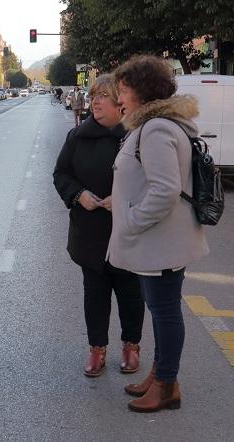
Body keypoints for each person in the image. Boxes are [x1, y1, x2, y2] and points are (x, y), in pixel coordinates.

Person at [109, 55, 209, 412]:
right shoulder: (155, 125)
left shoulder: (156, 129)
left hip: (159, 240)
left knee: (165, 311)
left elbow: (164, 190)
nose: (119, 98)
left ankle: (167, 384)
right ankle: (161, 374)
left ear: (142, 91)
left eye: (123, 90)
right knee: (161, 309)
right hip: (160, 239)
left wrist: (131, 221)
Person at [54, 74, 145, 378]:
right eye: (93, 96)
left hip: (127, 231)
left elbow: (152, 182)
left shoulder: (137, 137)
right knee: (95, 295)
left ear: (121, 104)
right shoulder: (77, 136)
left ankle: (131, 347)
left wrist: (122, 200)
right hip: (90, 231)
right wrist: (79, 195)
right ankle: (97, 350)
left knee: (131, 294)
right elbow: (61, 175)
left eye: (104, 96)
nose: (95, 101)